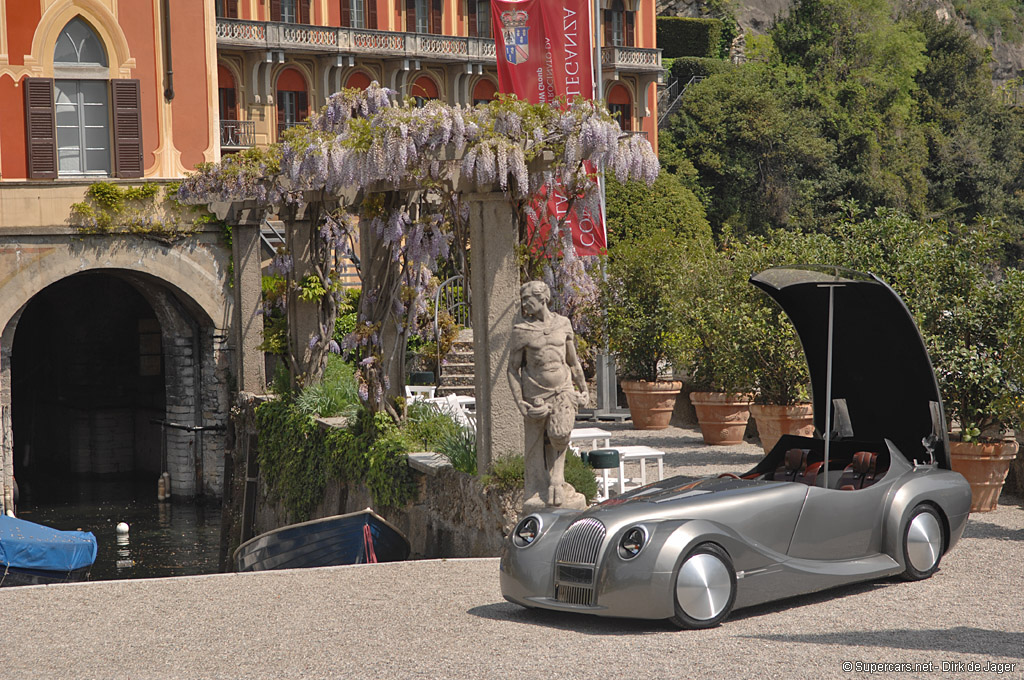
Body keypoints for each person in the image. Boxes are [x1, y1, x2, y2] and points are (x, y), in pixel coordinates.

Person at [507, 281, 588, 511]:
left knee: (560, 434)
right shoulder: (521, 331)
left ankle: (557, 479)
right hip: (536, 394)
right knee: (535, 444)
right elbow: (512, 369)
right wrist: (521, 403)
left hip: (563, 389)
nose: (524, 304)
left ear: (542, 298)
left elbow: (573, 362)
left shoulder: (563, 324)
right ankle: (540, 487)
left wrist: (583, 389)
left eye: (527, 299)